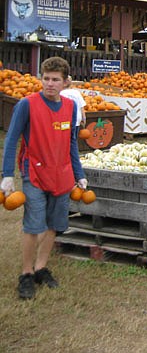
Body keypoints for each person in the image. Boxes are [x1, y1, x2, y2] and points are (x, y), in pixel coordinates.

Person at [1, 57, 88, 300]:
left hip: (62, 175)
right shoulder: (27, 105)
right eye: (46, 79)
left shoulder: (70, 107)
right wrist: (7, 175)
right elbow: (11, 140)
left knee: (53, 224)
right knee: (33, 224)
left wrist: (79, 174)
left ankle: (41, 267)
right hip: (35, 173)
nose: (49, 84)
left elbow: (72, 143)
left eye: (55, 80)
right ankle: (26, 273)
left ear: (65, 82)